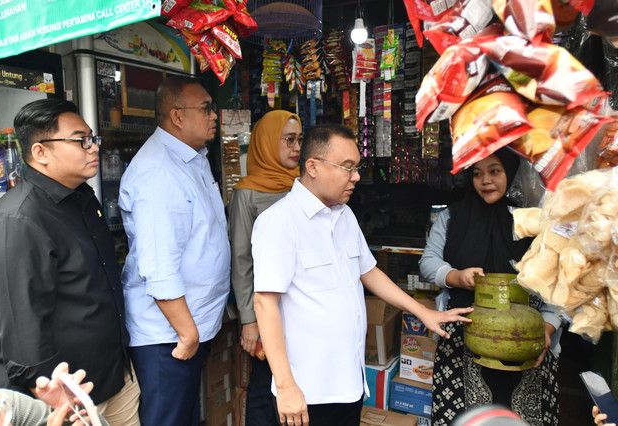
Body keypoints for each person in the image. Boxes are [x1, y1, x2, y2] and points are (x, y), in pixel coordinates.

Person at [251, 123, 473, 426]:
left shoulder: (344, 215)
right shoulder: (278, 223)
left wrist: (422, 312)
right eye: (347, 167)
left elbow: (369, 272)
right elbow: (265, 304)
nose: (356, 176)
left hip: (349, 383)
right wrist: (286, 386)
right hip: (308, 390)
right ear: (313, 167)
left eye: (357, 167)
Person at [0, 99, 139, 426]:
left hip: (111, 377)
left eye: (92, 138)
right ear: (40, 152)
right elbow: (24, 335)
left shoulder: (82, 199)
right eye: (80, 140)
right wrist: (61, 407)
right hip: (62, 400)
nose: (93, 147)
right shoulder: (16, 221)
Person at [418, 148, 563, 426]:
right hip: (461, 339)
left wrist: (546, 328)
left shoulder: (533, 220)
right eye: (477, 173)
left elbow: (556, 280)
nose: (485, 181)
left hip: (526, 339)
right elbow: (428, 262)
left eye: (495, 171)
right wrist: (456, 277)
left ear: (511, 173)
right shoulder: (453, 217)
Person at [119, 76, 230, 426]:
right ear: (177, 116)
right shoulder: (158, 173)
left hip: (187, 327)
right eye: (207, 108)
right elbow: (159, 265)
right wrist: (188, 333)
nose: (215, 116)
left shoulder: (192, 158)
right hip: (168, 336)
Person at [228, 110, 302, 426]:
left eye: (300, 139)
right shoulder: (247, 192)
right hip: (265, 309)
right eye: (288, 140)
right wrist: (248, 319)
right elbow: (241, 259)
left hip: (300, 306)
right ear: (268, 143)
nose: (297, 147)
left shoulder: (303, 183)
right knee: (264, 386)